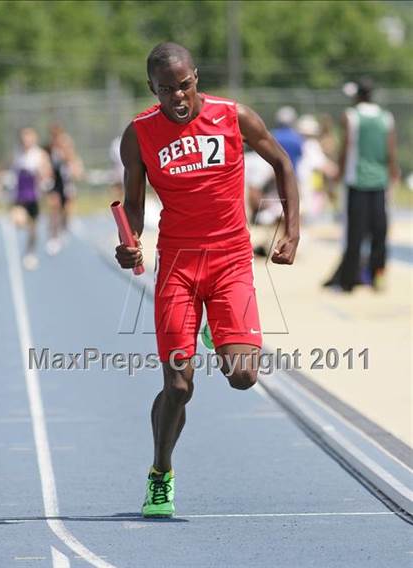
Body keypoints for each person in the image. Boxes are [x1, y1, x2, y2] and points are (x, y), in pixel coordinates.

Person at [115, 42, 300, 518]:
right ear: (152, 88)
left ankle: (217, 327)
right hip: (177, 267)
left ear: (195, 76)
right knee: (178, 387)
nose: (177, 97)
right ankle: (161, 472)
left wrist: (291, 232)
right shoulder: (138, 134)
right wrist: (131, 237)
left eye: (184, 85)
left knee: (242, 376)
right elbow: (133, 201)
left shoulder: (233, 116)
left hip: (231, 262)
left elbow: (281, 161)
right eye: (166, 90)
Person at [324, 78, 399, 292]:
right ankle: (378, 276)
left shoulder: (351, 116)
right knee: (380, 233)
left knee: (354, 234)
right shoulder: (386, 118)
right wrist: (393, 174)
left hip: (356, 182)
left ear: (357, 96)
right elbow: (391, 150)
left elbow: (346, 148)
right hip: (380, 183)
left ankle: (349, 279)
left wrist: (338, 174)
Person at [11, 127, 52, 270]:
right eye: (23, 139)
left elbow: (47, 172)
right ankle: (24, 226)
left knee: (33, 229)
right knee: (18, 221)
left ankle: (31, 252)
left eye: (28, 138)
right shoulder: (17, 154)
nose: (25, 141)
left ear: (33, 139)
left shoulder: (39, 155)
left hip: (34, 196)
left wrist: (43, 175)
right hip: (19, 196)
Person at [45, 124, 83, 255]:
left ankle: (65, 227)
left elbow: (73, 161)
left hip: (66, 182)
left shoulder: (66, 145)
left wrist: (67, 156)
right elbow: (46, 164)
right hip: (55, 182)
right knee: (54, 207)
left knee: (67, 208)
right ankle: (53, 236)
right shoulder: (49, 148)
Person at [271, 106, 303, 173]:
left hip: (275, 175)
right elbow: (300, 155)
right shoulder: (297, 138)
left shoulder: (273, 136)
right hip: (292, 174)